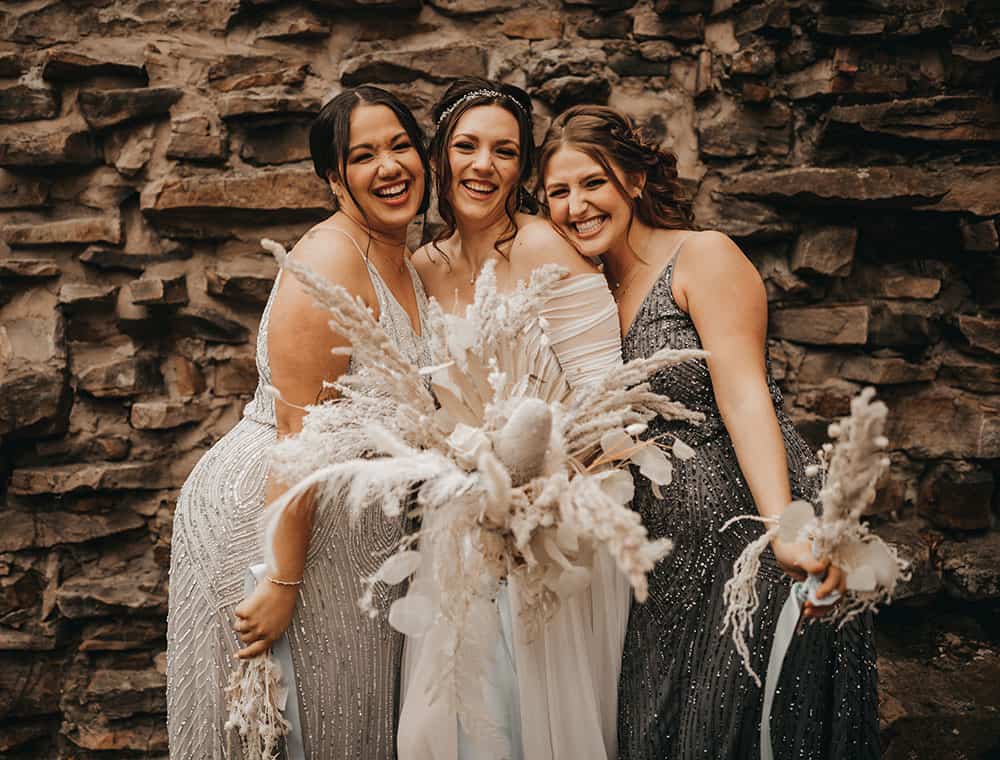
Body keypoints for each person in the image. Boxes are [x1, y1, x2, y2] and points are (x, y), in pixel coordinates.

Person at [538, 104, 879, 760]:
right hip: (661, 560)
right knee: (659, 729)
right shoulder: (584, 292)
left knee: (744, 729)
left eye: (593, 182)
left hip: (749, 531)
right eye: (559, 192)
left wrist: (783, 526)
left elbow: (745, 395)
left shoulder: (701, 256)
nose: (576, 206)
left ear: (634, 180)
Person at [166, 85, 432, 760]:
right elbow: (301, 434)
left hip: (351, 531)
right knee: (281, 723)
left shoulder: (400, 255)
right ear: (334, 179)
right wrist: (280, 582)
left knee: (343, 718)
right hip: (274, 520)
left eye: (400, 145)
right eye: (363, 155)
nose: (389, 166)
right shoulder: (332, 258)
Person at [401, 78, 628, 760]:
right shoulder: (420, 267)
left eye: (504, 151)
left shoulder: (543, 249)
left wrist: (539, 504)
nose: (483, 165)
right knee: (446, 726)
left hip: (550, 529)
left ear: (522, 168)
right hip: (456, 528)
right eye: (466, 146)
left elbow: (608, 407)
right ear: (439, 157)